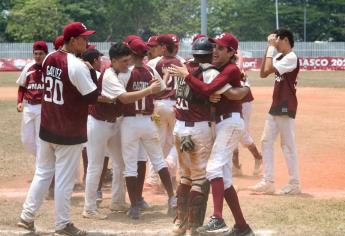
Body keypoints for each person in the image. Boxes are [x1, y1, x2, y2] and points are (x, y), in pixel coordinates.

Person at [169, 32, 254, 236]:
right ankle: (237, 225)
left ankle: (197, 221)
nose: (215, 51)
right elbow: (236, 92)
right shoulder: (211, 71)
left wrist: (241, 89)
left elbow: (236, 93)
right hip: (203, 127)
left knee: (192, 176)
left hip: (185, 127)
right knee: (214, 177)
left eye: (220, 48)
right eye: (213, 48)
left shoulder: (186, 67)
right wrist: (243, 88)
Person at [17, 21, 97, 236]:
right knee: (63, 179)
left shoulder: (51, 57)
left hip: (47, 126)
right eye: (84, 38)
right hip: (68, 131)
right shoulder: (77, 65)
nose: (87, 42)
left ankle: (26, 216)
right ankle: (62, 224)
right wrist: (92, 72)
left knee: (42, 173)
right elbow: (92, 97)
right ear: (72, 40)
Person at [120, 39, 177, 219]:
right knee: (157, 160)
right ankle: (172, 198)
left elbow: (120, 96)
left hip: (130, 121)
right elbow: (160, 89)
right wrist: (150, 89)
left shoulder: (126, 72)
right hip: (148, 120)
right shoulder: (150, 70)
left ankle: (135, 206)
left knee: (131, 166)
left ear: (131, 54)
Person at [248, 28, 301, 195]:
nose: (274, 43)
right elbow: (264, 73)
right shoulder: (280, 56)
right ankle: (268, 181)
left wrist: (271, 48)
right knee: (266, 141)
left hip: (286, 104)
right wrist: (269, 48)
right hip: (276, 103)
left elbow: (268, 68)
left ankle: (294, 184)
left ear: (284, 39)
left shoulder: (291, 58)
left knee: (287, 145)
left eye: (276, 40)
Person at [232, 49, 263, 176]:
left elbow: (239, 63)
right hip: (232, 102)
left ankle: (258, 157)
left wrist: (238, 54)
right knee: (231, 132)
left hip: (244, 102)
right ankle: (236, 167)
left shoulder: (236, 67)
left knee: (242, 134)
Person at [16, 41, 48, 164]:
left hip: (43, 108)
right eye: (35, 53)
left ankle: (42, 167)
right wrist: (19, 101)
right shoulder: (28, 67)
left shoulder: (49, 68)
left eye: (41, 53)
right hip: (29, 107)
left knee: (41, 141)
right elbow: (22, 86)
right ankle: (46, 160)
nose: (38, 56)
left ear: (46, 54)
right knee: (26, 139)